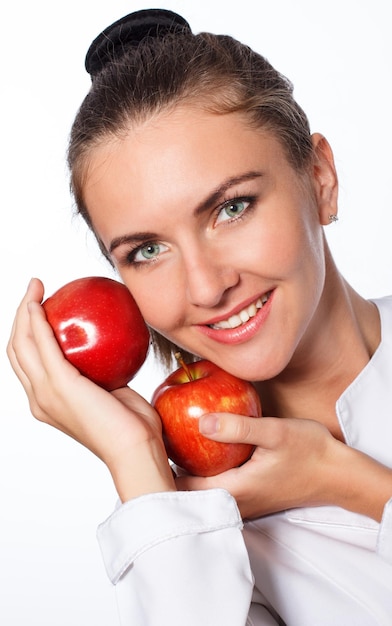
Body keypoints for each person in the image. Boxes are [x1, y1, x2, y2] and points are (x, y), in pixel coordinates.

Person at [7, 8, 392, 625]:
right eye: (147, 251)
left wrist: (347, 483)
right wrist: (137, 460)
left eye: (232, 207)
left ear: (320, 178)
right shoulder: (198, 544)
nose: (207, 287)